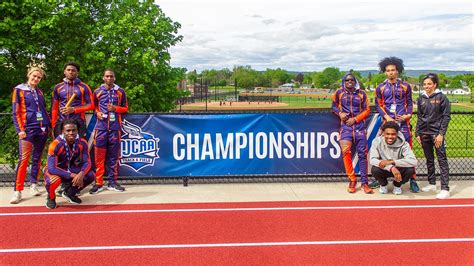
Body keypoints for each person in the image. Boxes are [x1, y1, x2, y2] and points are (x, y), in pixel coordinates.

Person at [371, 57, 420, 193]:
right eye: (388, 70)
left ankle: (413, 179)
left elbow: (409, 103)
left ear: (397, 71)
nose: (391, 72)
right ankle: (381, 177)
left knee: (408, 150)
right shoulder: (380, 87)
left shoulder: (406, 86)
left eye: (393, 70)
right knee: (382, 148)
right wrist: (386, 117)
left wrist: (408, 115)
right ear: (385, 72)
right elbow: (378, 105)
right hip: (387, 123)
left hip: (403, 123)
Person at [10, 67, 51, 204]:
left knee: (37, 157)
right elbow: (15, 112)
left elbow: (43, 110)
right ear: (29, 75)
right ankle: (17, 191)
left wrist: (47, 125)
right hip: (27, 130)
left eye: (39, 77)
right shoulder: (19, 90)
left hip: (42, 129)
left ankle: (33, 185)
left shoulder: (40, 91)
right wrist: (19, 129)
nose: (36, 79)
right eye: (34, 76)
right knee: (24, 159)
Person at [332, 73, 373, 194]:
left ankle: (365, 182)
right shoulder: (339, 92)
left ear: (355, 82)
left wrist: (355, 119)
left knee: (362, 155)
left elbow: (367, 110)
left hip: (359, 127)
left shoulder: (362, 94)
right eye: (347, 80)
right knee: (346, 153)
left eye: (352, 80)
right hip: (345, 128)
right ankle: (352, 179)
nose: (349, 81)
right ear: (344, 82)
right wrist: (340, 113)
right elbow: (333, 105)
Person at [89, 69, 128, 194]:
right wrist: (97, 112)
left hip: (115, 128)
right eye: (107, 76)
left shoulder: (120, 92)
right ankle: (98, 183)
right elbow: (93, 106)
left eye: (111, 76)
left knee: (113, 157)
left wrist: (115, 108)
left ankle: (112, 182)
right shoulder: (97, 91)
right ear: (103, 77)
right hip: (101, 129)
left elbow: (125, 108)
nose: (109, 78)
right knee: (99, 157)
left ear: (114, 78)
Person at [44, 119, 95, 209]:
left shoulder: (82, 142)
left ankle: (69, 193)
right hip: (56, 171)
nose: (71, 133)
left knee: (91, 175)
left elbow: (87, 162)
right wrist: (73, 175)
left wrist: (81, 174)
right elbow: (52, 168)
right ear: (63, 131)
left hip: (70, 168)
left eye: (73, 130)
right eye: (68, 130)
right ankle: (51, 198)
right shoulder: (55, 144)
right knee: (53, 181)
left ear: (77, 131)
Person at [416, 73, 451, 199]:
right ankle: (431, 183)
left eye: (429, 84)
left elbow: (446, 117)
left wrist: (441, 134)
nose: (426, 86)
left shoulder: (442, 98)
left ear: (435, 84)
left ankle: (445, 188)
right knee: (429, 159)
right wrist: (417, 133)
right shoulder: (421, 98)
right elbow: (420, 117)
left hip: (437, 134)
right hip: (424, 134)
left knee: (442, 160)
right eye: (424, 84)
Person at [369, 121, 417, 195]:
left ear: (397, 134)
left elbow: (414, 161)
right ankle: (383, 185)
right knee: (375, 169)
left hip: (399, 169)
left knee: (410, 170)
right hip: (385, 169)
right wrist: (391, 167)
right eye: (387, 134)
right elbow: (372, 160)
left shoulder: (404, 144)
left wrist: (393, 162)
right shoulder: (376, 141)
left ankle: (397, 185)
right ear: (383, 133)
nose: (390, 137)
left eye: (393, 134)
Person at [51, 62, 94, 138]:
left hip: (78, 122)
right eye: (68, 70)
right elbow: (54, 108)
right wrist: (53, 125)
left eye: (73, 70)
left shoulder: (84, 87)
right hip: (61, 122)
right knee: (61, 147)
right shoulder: (58, 87)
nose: (70, 72)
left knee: (78, 147)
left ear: (77, 73)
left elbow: (91, 105)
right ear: (64, 72)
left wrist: (74, 109)